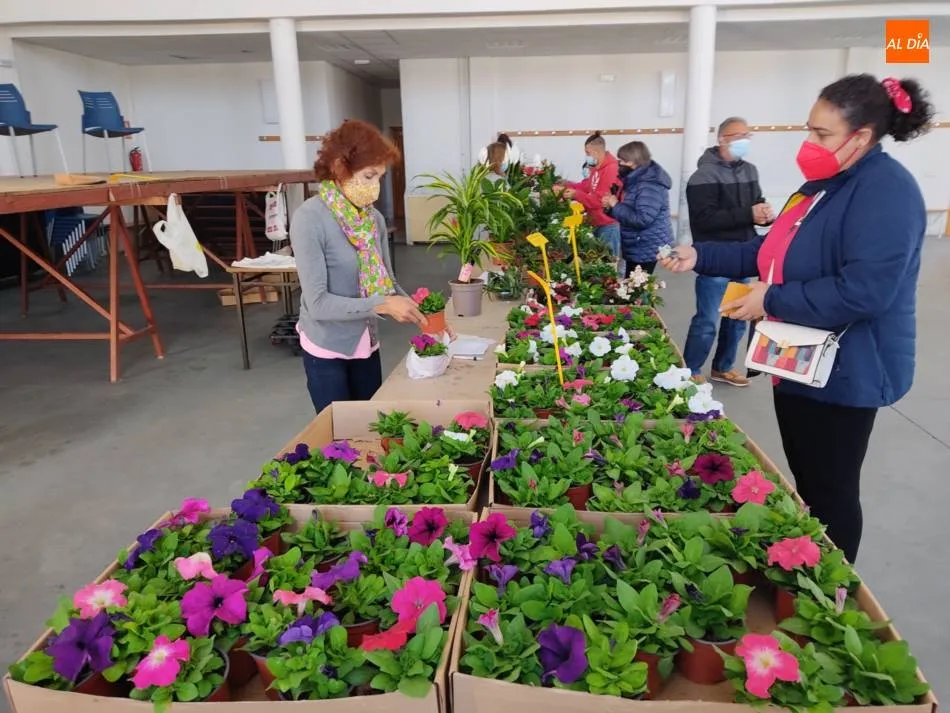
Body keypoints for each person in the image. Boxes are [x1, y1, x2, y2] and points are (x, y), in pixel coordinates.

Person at [658, 74, 934, 563]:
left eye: (822, 134)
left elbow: (867, 291)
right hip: (798, 362)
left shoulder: (886, 192)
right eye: (809, 130)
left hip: (847, 372)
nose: (809, 144)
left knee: (831, 490)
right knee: (808, 480)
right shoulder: (821, 188)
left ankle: (833, 585)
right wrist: (697, 255)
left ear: (862, 137)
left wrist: (772, 301)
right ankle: (808, 564)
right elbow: (767, 251)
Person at [290, 119, 427, 414]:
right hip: (327, 347)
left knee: (369, 425)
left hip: (366, 342)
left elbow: (387, 282)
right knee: (340, 436)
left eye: (379, 177)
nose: (375, 187)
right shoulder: (310, 219)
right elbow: (318, 304)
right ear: (340, 168)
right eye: (368, 176)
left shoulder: (372, 219)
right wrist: (382, 305)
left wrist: (427, 317)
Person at [681, 117, 773, 387]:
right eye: (738, 135)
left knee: (737, 320)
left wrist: (763, 214)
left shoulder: (750, 170)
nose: (744, 140)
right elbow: (704, 219)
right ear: (722, 139)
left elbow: (757, 203)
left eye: (748, 134)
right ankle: (691, 368)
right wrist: (748, 213)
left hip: (744, 258)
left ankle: (723, 367)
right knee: (708, 320)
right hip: (715, 259)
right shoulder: (703, 176)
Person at [601, 140, 673, 275]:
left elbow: (642, 219)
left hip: (646, 244)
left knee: (637, 288)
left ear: (635, 162)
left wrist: (615, 205)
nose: (619, 164)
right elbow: (628, 209)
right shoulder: (635, 181)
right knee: (633, 285)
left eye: (623, 161)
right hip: (637, 243)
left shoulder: (649, 185)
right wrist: (611, 207)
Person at [558, 131, 621, 260]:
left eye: (587, 153)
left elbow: (600, 200)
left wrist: (576, 194)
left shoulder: (611, 169)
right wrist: (566, 187)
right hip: (596, 222)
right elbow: (586, 186)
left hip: (608, 225)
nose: (586, 156)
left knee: (608, 265)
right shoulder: (596, 167)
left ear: (597, 152)